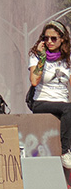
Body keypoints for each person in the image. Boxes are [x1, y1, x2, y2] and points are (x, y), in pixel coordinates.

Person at [28, 20, 71, 168]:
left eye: (53, 38)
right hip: (41, 101)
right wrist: (42, 58)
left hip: (63, 104)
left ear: (62, 39)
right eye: (46, 38)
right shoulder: (36, 56)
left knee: (67, 108)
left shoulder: (68, 59)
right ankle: (66, 152)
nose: (49, 41)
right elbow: (34, 81)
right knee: (68, 109)